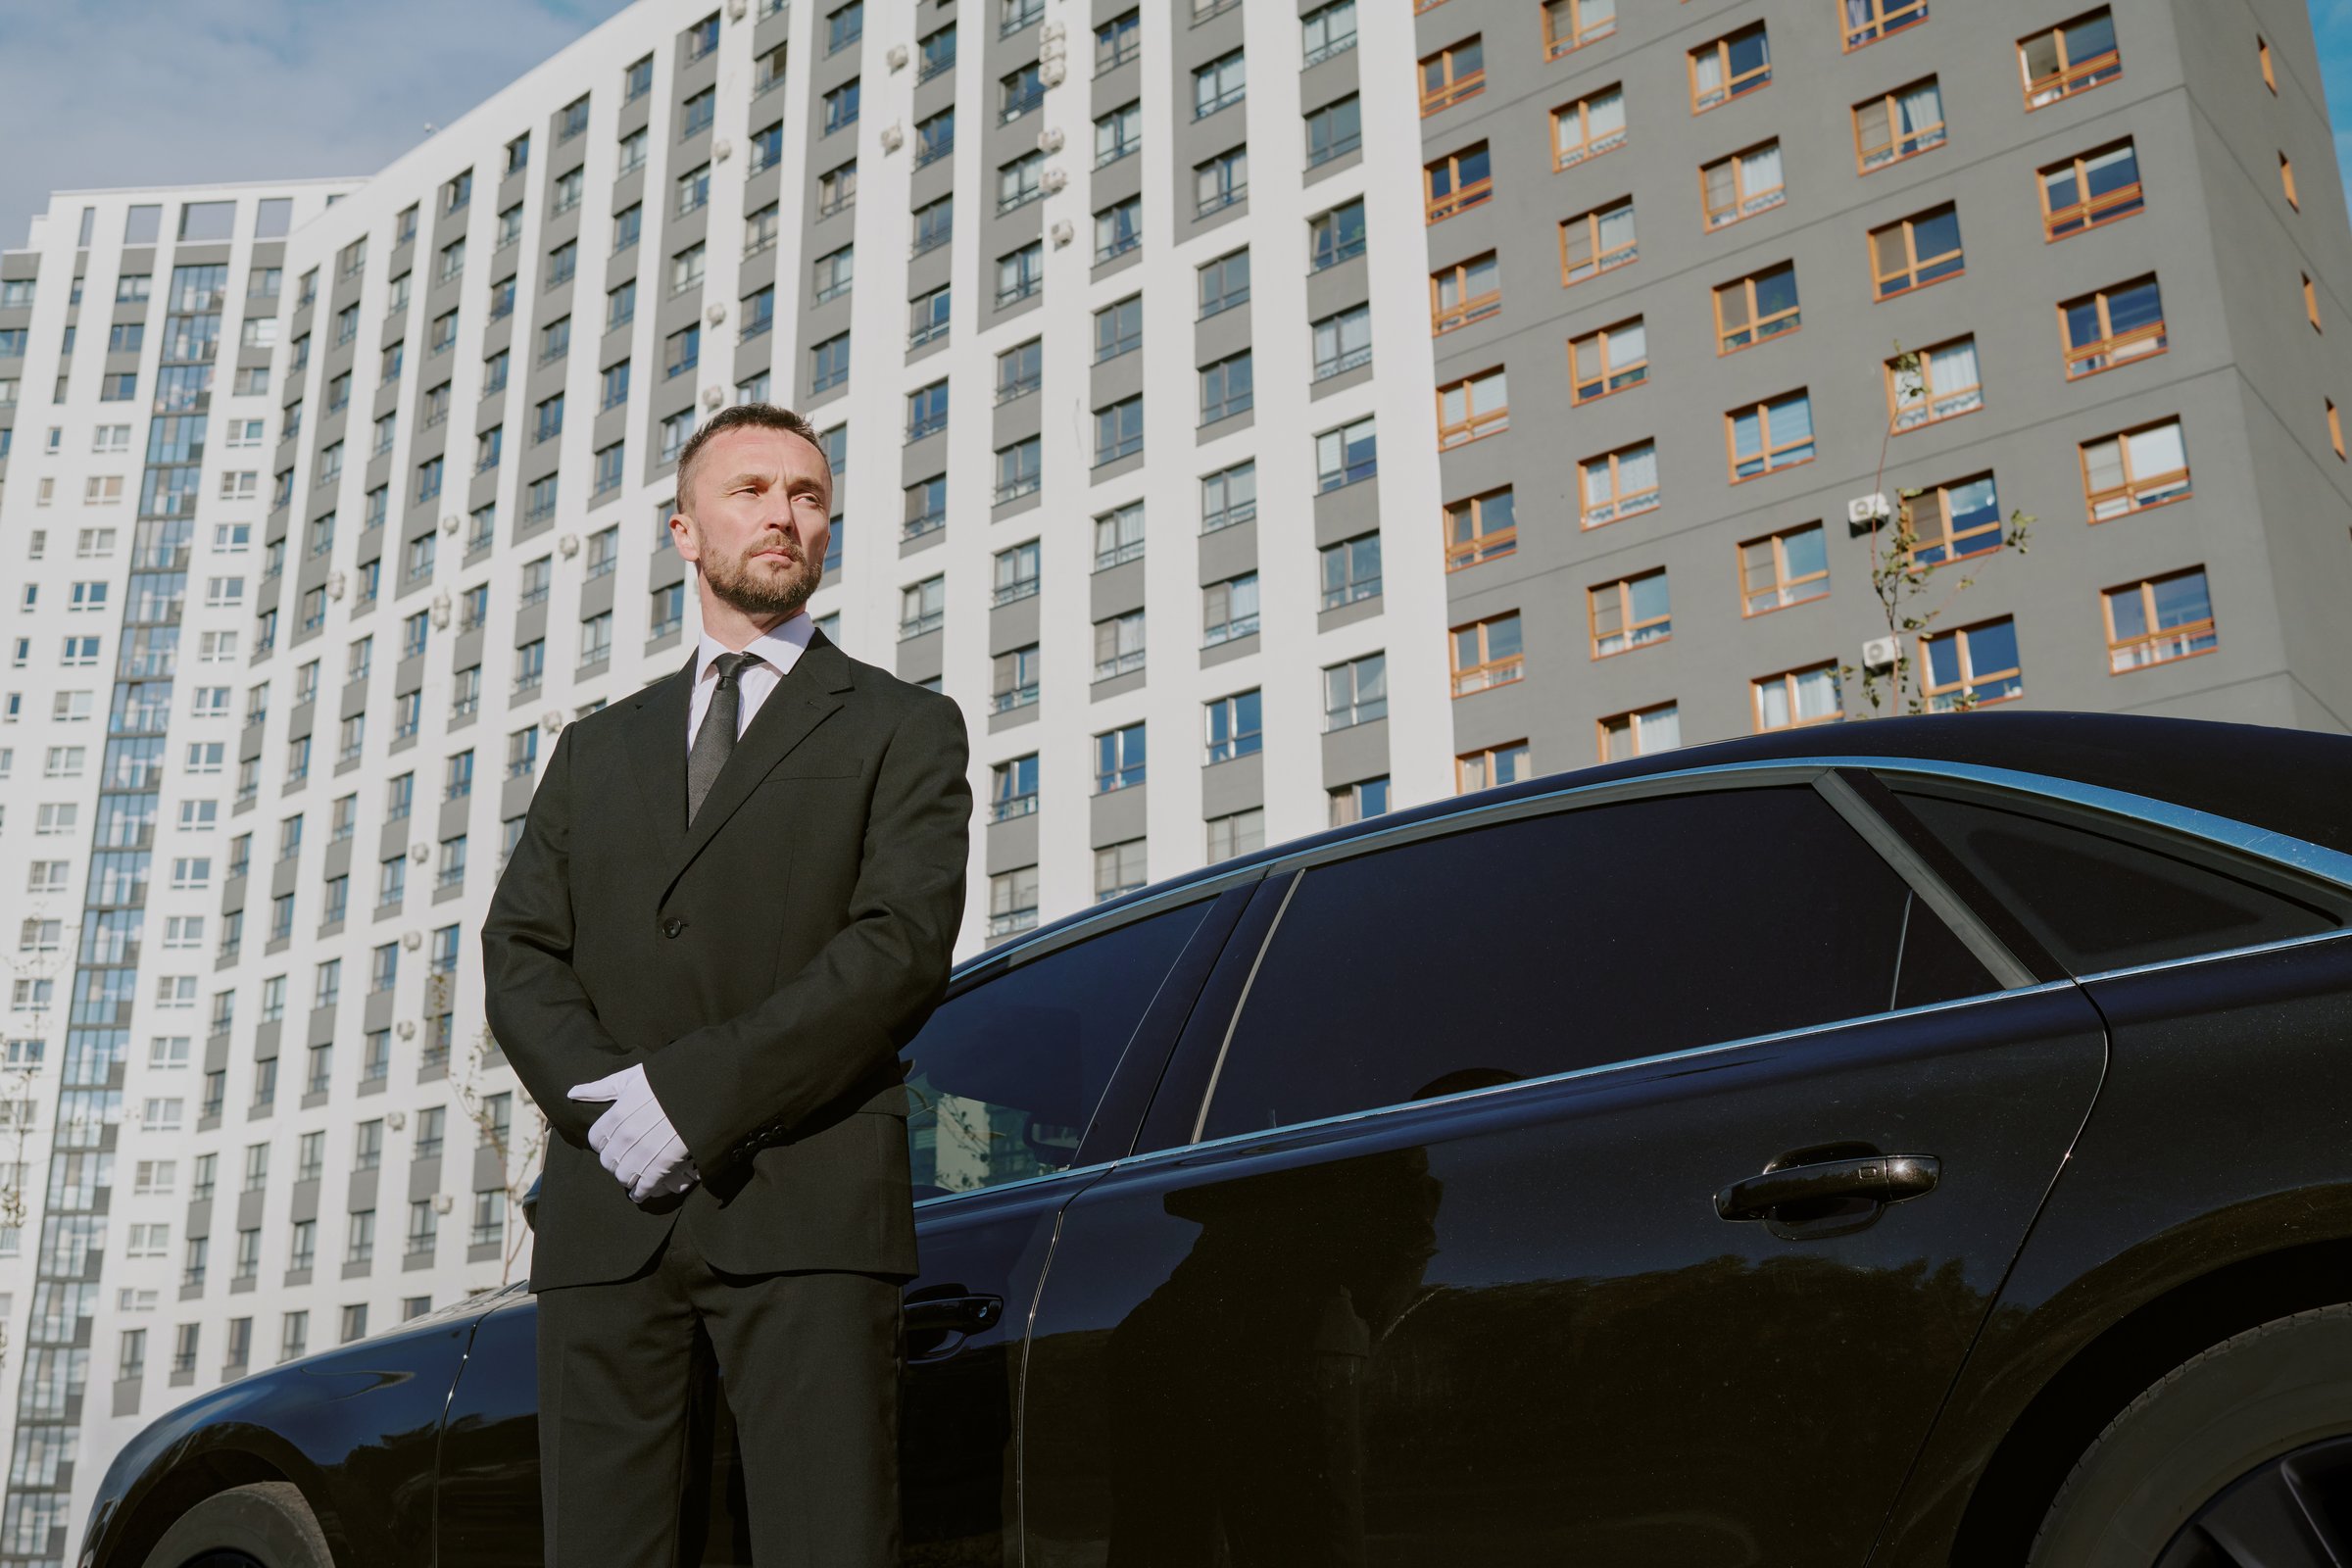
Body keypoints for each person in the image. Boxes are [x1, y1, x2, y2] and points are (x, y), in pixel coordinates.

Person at [481, 402, 972, 1567]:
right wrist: (614, 1113)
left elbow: (897, 947)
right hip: (611, 1222)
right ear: (685, 532)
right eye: (751, 491)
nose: (784, 514)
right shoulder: (595, 750)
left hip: (806, 1208)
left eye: (807, 496)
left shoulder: (905, 727)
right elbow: (519, 952)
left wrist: (690, 1103)